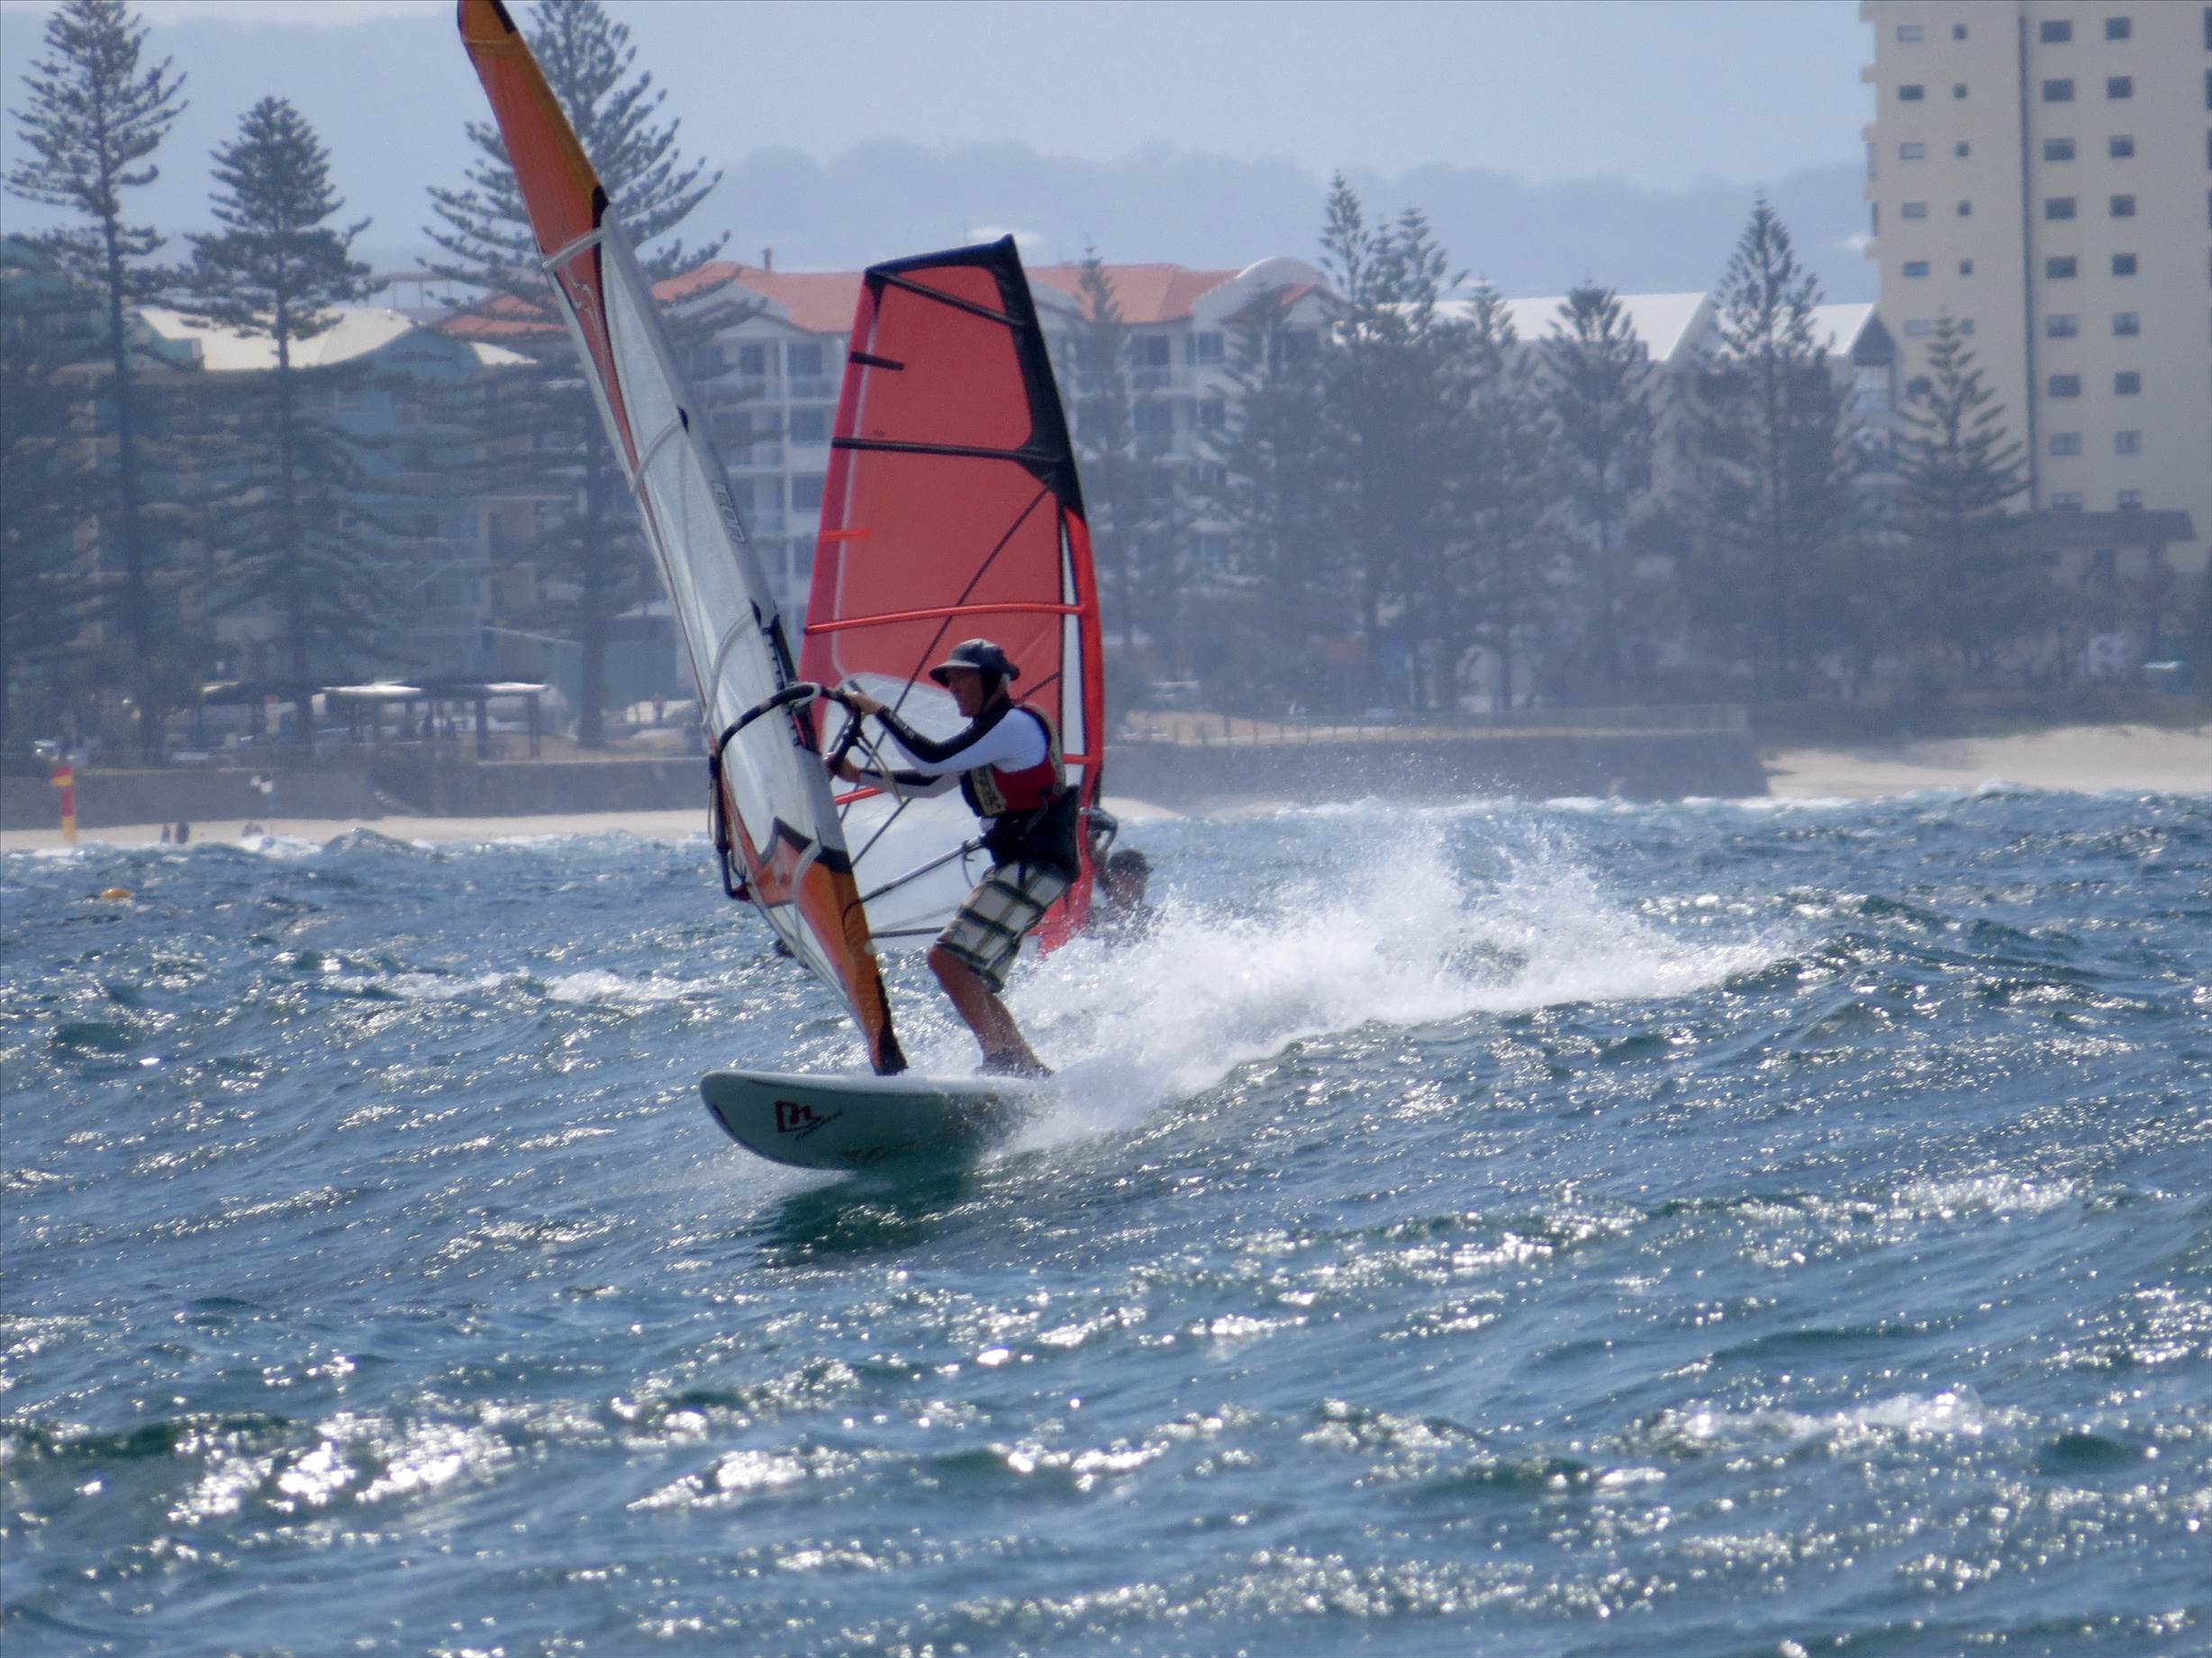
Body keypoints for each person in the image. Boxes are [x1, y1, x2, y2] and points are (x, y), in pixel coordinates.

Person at [828, 639, 1077, 1077]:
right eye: (950, 680)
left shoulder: (1015, 724)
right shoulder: (987, 736)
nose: (954, 687)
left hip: (1038, 862)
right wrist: (859, 775)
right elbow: (933, 783)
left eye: (963, 678)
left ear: (994, 682)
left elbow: (931, 760)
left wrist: (879, 711)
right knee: (968, 973)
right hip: (1025, 863)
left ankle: (1002, 1060)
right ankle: (1027, 1067)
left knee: (947, 960)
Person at [1088, 847, 1156, 947]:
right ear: (1112, 880)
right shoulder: (1092, 919)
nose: (1138, 884)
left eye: (1141, 878)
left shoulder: (1156, 919)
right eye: (1129, 879)